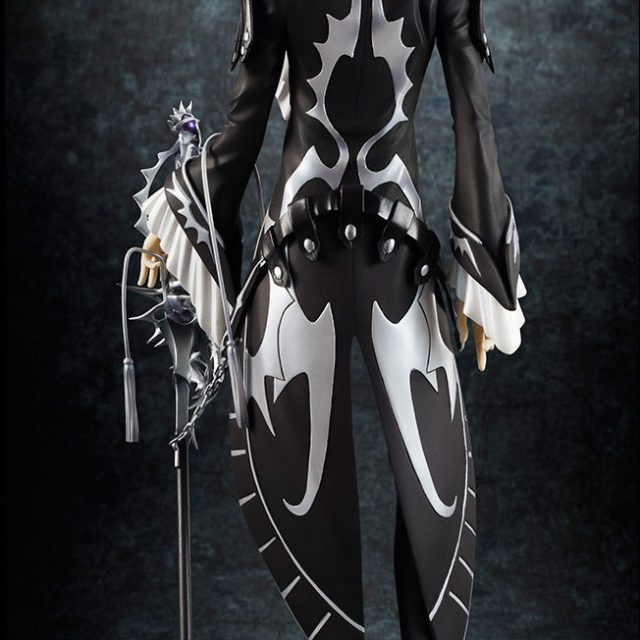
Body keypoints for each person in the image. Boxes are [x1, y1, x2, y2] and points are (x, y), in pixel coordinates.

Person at [136, 0, 526, 637]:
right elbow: (245, 121)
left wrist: (482, 261)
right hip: (297, 265)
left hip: (398, 264)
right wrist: (187, 213)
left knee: (433, 504)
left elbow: (472, 116)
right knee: (312, 511)